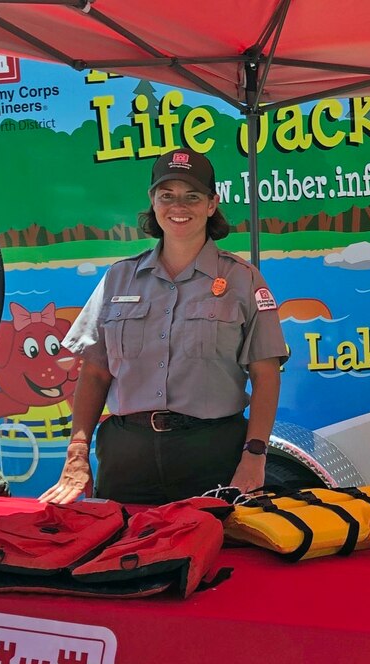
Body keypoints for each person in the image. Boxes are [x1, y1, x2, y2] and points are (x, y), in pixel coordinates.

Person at [40, 148, 286, 506]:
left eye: (192, 196)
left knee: (217, 557)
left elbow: (266, 375)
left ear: (212, 204)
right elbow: (94, 374)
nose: (178, 206)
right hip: (128, 457)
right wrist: (77, 452)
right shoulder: (119, 278)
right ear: (152, 201)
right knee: (120, 555)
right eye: (167, 195)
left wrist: (255, 455)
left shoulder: (242, 279)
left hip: (210, 454)